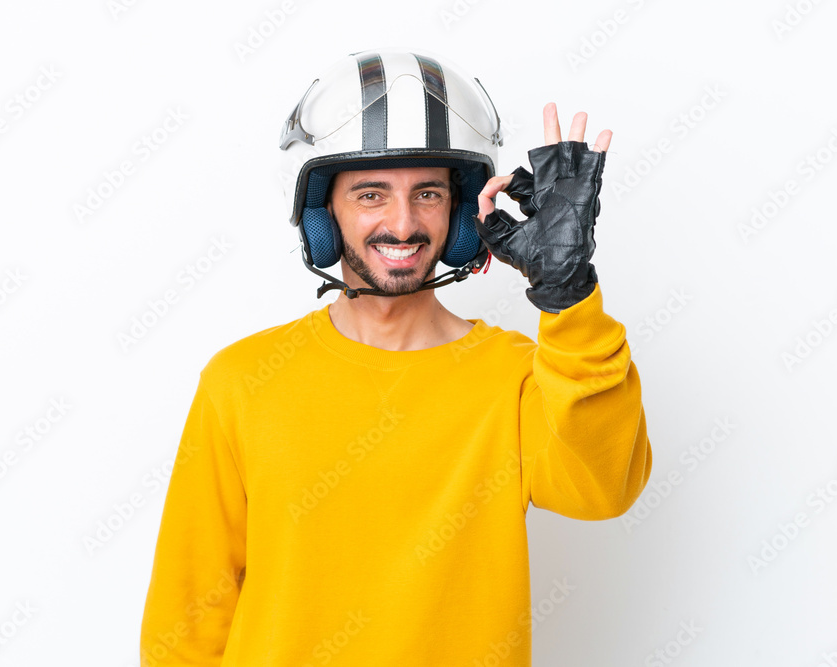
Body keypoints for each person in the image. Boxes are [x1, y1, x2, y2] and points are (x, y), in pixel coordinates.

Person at [140, 48, 652, 667]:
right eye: (371, 195)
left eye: (428, 193)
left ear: (461, 214)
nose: (403, 223)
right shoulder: (242, 381)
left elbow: (604, 490)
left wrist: (567, 297)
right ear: (322, 210)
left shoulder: (518, 377)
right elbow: (189, 613)